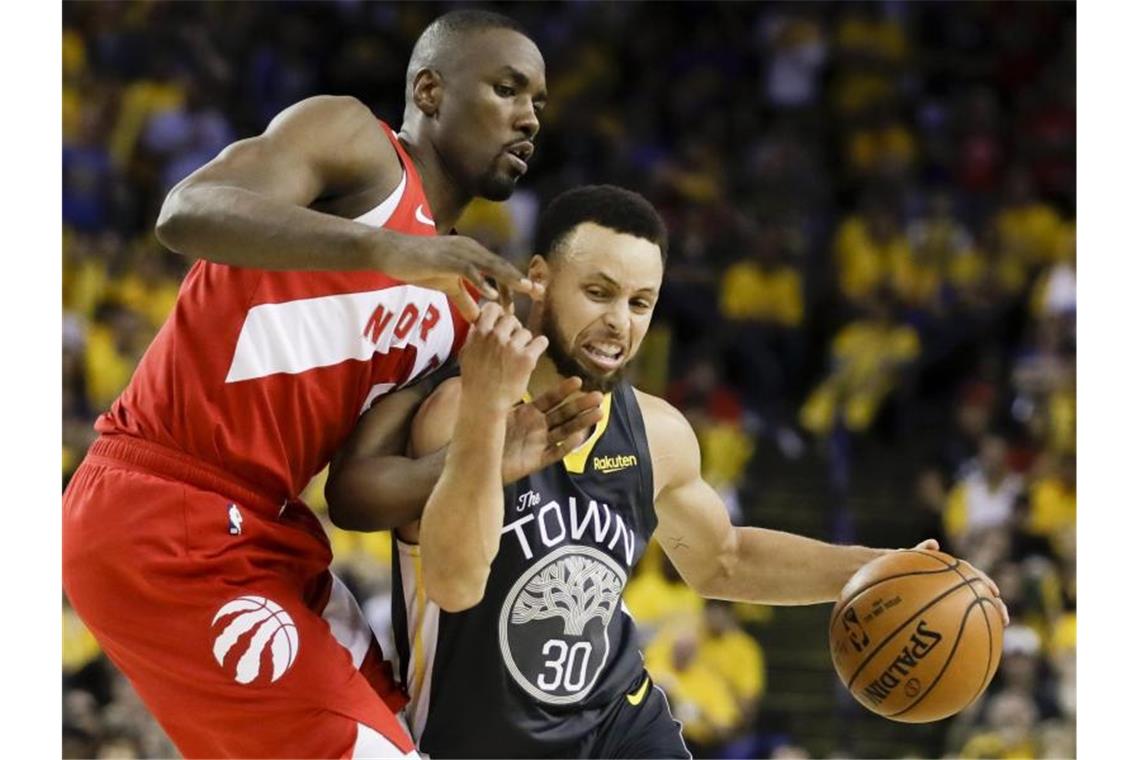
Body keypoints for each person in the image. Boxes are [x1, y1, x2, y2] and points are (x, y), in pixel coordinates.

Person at [61, 10, 593, 759]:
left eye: (537, 103)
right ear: (431, 91)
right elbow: (186, 212)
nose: (528, 118)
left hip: (272, 533)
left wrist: (483, 455)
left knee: (412, 736)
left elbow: (353, 493)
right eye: (507, 89)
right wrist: (386, 247)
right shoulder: (355, 145)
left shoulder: (461, 298)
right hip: (162, 509)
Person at [328, 185, 1010, 758]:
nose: (618, 323)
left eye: (639, 302)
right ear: (537, 279)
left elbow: (724, 561)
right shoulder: (461, 408)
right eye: (598, 292)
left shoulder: (658, 432)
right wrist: (486, 420)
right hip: (473, 739)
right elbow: (451, 581)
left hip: (617, 724)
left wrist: (887, 569)